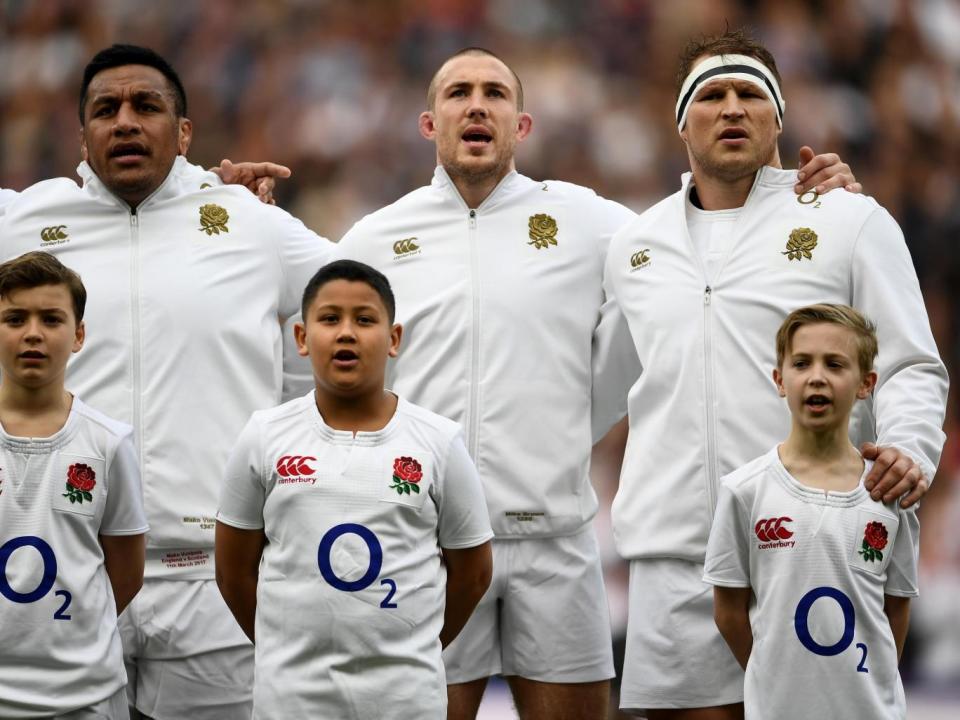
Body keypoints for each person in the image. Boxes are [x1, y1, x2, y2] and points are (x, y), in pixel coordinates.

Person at [335, 46, 860, 719]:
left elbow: (711, 224)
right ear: (428, 123)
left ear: (522, 126)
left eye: (494, 93)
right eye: (458, 92)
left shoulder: (595, 223)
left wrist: (797, 192)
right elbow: (308, 340)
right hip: (426, 540)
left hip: (555, 537)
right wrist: (242, 203)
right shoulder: (376, 237)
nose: (476, 105)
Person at [605, 29, 947, 719]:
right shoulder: (633, 245)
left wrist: (911, 449)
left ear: (778, 119)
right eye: (711, 95)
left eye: (750, 94)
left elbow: (911, 360)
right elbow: (601, 389)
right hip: (673, 558)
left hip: (812, 544)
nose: (731, 107)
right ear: (680, 121)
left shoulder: (849, 220)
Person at [0, 44, 333, 720]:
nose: (125, 122)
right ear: (82, 134)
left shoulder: (251, 223)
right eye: (105, 110)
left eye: (146, 107)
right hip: (62, 565)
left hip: (215, 576)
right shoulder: (21, 224)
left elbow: (363, 310)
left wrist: (294, 430)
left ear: (183, 134)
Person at [215, 259, 494, 718]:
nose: (347, 333)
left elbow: (474, 573)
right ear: (302, 339)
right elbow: (232, 573)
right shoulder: (264, 435)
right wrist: (285, 651)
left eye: (365, 320)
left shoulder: (438, 442)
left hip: (405, 700)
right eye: (330, 319)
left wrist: (416, 642)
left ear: (394, 338)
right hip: (292, 702)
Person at [704, 304, 918, 719]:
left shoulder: (889, 494)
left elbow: (896, 609)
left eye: (835, 364)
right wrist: (776, 679)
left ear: (865, 384)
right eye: (802, 363)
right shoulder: (745, 490)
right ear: (780, 380)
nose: (817, 376)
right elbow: (728, 612)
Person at [0, 251, 148, 719]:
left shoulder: (108, 442)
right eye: (14, 318)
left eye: (51, 318)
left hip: (84, 696)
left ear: (78, 335)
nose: (33, 333)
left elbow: (124, 572)